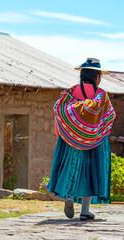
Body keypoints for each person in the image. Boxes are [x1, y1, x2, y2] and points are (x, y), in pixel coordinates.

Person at [47, 58, 116, 221]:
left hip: (71, 140)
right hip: (95, 142)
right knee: (91, 173)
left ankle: (69, 197)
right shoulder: (100, 95)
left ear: (82, 75)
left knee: (72, 167)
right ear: (97, 77)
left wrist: (74, 129)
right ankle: (85, 210)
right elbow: (110, 115)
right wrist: (92, 129)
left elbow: (59, 108)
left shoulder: (71, 92)